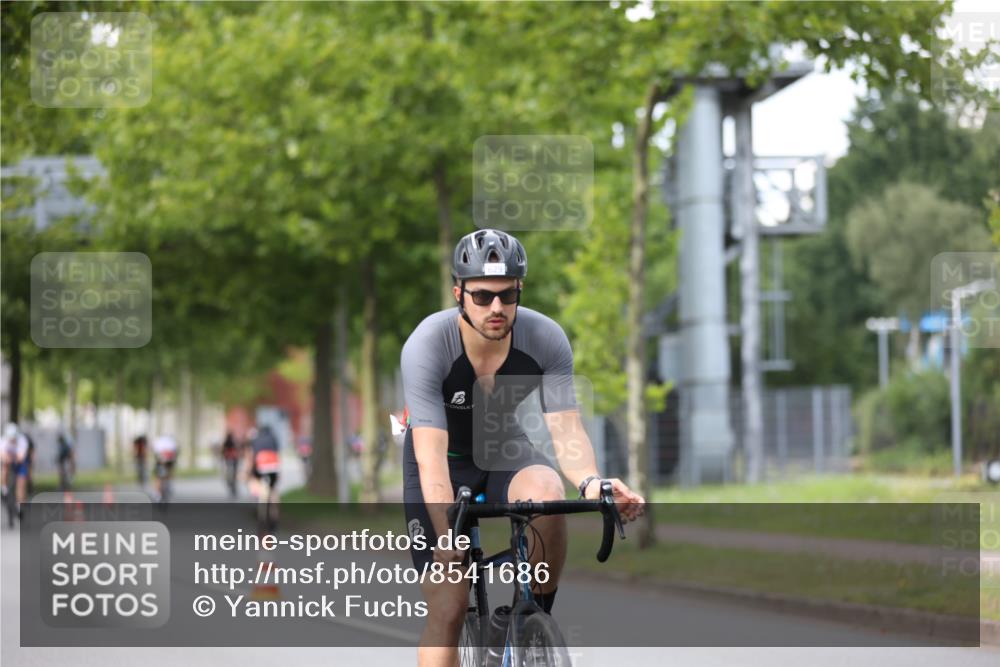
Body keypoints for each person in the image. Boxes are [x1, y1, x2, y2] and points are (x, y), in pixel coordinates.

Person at [400, 229, 645, 665]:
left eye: (507, 294)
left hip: (501, 448)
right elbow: (430, 457)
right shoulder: (428, 345)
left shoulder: (545, 337)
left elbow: (567, 430)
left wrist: (592, 484)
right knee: (449, 606)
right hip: (441, 463)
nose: (496, 307)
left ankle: (526, 619)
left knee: (548, 492)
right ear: (459, 293)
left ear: (519, 290)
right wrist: (446, 536)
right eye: (481, 296)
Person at [243, 424, 280, 532]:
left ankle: (262, 517)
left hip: (260, 465)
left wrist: (248, 473)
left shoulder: (256, 439)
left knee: (261, 491)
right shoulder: (273, 438)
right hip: (273, 466)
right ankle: (275, 516)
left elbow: (251, 456)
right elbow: (277, 454)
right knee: (273, 491)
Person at [1, 423, 31, 516]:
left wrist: (12, 458)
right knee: (4, 466)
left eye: (13, 439)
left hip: (20, 463)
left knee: (20, 484)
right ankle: (4, 489)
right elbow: (2, 455)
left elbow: (21, 458)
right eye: (10, 439)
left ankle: (19, 507)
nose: (12, 441)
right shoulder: (3, 441)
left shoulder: (22, 440)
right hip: (9, 461)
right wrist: (7, 458)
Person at [151, 434, 178, 502]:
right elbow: (175, 453)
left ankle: (157, 493)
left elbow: (155, 453)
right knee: (169, 472)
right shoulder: (172, 442)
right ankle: (169, 486)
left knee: (158, 477)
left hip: (161, 461)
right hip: (169, 461)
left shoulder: (158, 442)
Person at [221, 431, 240, 497]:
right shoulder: (234, 442)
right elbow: (237, 451)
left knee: (228, 473)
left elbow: (223, 451)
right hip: (234, 460)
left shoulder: (226, 442)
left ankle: (230, 483)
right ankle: (233, 485)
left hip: (228, 459)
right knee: (233, 474)